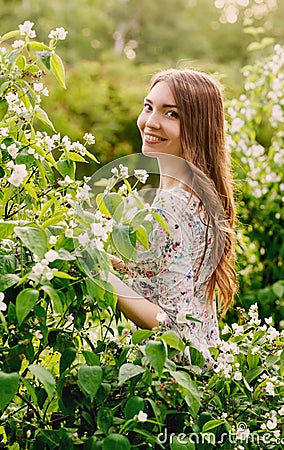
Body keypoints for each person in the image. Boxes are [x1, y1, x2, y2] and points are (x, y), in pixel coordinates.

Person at [108, 68, 238, 361]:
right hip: (205, 377)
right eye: (149, 107)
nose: (151, 123)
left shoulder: (171, 207)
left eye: (172, 114)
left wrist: (101, 277)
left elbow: (174, 328)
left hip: (173, 385)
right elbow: (174, 280)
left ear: (197, 126)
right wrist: (117, 263)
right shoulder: (200, 196)